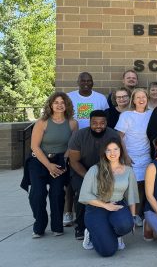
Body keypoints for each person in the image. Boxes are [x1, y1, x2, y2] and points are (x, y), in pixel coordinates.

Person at [26, 92, 78, 238]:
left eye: (63, 102)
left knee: (57, 194)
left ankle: (57, 226)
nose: (59, 105)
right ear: (50, 105)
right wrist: (49, 166)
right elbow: (34, 146)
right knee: (37, 194)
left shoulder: (73, 123)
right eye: (56, 102)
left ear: (67, 105)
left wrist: (65, 160)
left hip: (60, 161)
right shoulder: (42, 122)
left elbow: (72, 145)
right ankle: (39, 226)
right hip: (39, 161)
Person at [79, 139, 138, 256]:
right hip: (96, 207)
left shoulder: (128, 171)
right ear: (104, 153)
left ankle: (115, 235)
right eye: (108, 150)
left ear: (121, 150)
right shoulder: (94, 169)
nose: (113, 153)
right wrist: (105, 205)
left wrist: (133, 217)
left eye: (115, 149)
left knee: (126, 224)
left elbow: (131, 195)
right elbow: (84, 195)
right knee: (108, 251)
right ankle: (91, 234)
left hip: (117, 204)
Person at [68, 110, 120, 240]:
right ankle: (81, 227)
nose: (98, 126)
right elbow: (74, 161)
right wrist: (90, 177)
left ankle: (109, 224)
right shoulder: (79, 136)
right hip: (82, 171)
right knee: (82, 193)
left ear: (106, 123)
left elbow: (117, 158)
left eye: (102, 123)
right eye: (95, 123)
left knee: (114, 192)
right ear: (90, 122)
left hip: (107, 172)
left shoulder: (113, 135)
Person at [115, 88, 153, 227]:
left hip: (146, 156)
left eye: (144, 97)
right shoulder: (127, 115)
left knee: (144, 185)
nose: (141, 99)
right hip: (131, 156)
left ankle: (140, 213)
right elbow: (119, 137)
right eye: (138, 97)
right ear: (133, 100)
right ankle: (132, 214)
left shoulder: (151, 113)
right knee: (133, 187)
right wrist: (125, 156)